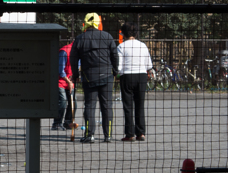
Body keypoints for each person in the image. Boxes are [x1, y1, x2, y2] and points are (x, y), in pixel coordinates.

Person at [70, 12, 119, 144]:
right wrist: (115, 71)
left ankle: (89, 135)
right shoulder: (107, 36)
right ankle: (107, 135)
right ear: (98, 22)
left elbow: (73, 59)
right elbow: (115, 55)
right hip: (107, 76)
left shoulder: (80, 38)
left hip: (88, 77)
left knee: (90, 106)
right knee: (107, 106)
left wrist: (75, 75)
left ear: (85, 23)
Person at [117, 22, 154, 141]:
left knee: (128, 106)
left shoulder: (121, 47)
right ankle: (141, 133)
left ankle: (130, 134)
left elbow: (118, 67)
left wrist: (118, 74)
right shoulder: (142, 45)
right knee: (140, 105)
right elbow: (149, 64)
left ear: (123, 33)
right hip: (142, 76)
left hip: (127, 76)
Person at [52, 36, 75, 131]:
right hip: (60, 81)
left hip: (69, 80)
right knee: (63, 101)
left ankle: (68, 122)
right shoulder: (64, 51)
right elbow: (60, 70)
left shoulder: (79, 53)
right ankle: (56, 123)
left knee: (74, 102)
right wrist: (69, 81)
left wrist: (73, 79)